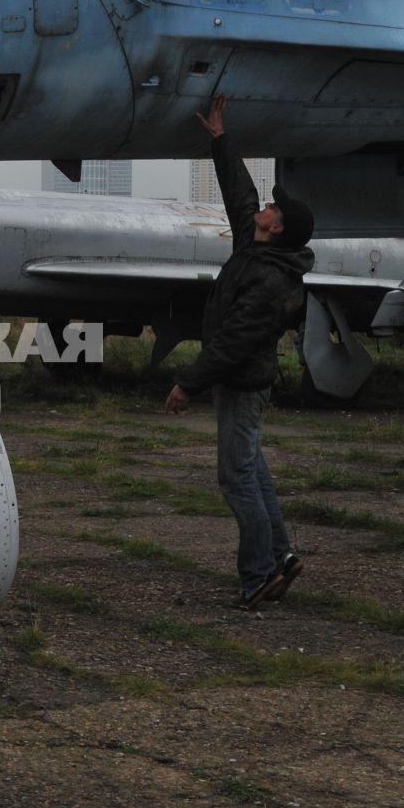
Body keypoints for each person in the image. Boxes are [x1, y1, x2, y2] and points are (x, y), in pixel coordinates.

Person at [166, 97, 315, 609]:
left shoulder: (271, 279)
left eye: (272, 209)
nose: (264, 208)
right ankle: (282, 555)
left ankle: (258, 575)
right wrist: (220, 138)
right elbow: (239, 193)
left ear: (277, 228)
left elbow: (233, 340)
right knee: (253, 470)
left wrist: (190, 381)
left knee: (236, 480)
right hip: (243, 380)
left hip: (244, 383)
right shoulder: (258, 249)